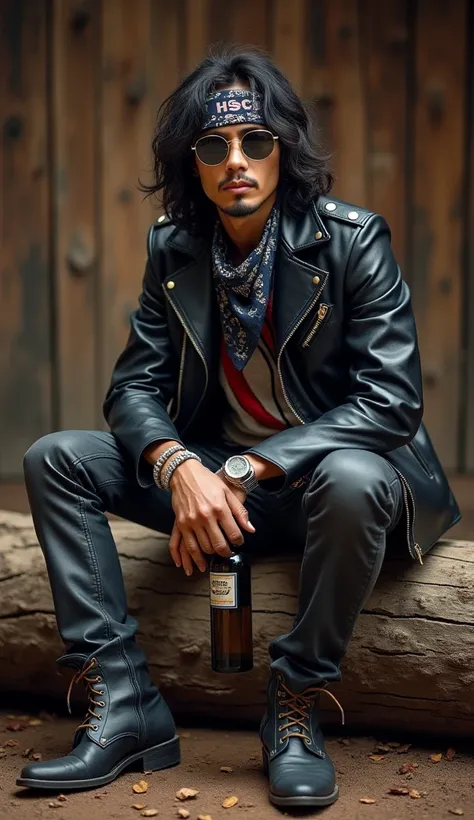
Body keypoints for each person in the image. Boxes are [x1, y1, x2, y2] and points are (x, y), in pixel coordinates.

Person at [17, 45, 460, 808]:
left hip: (328, 490)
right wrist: (178, 467)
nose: (237, 161)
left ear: (283, 149)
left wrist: (242, 472)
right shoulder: (177, 249)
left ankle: (293, 705)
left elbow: (390, 399)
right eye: (213, 146)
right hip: (219, 483)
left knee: (353, 476)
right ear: (192, 163)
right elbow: (133, 387)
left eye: (256, 140)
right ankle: (126, 706)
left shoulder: (352, 242)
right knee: (55, 457)